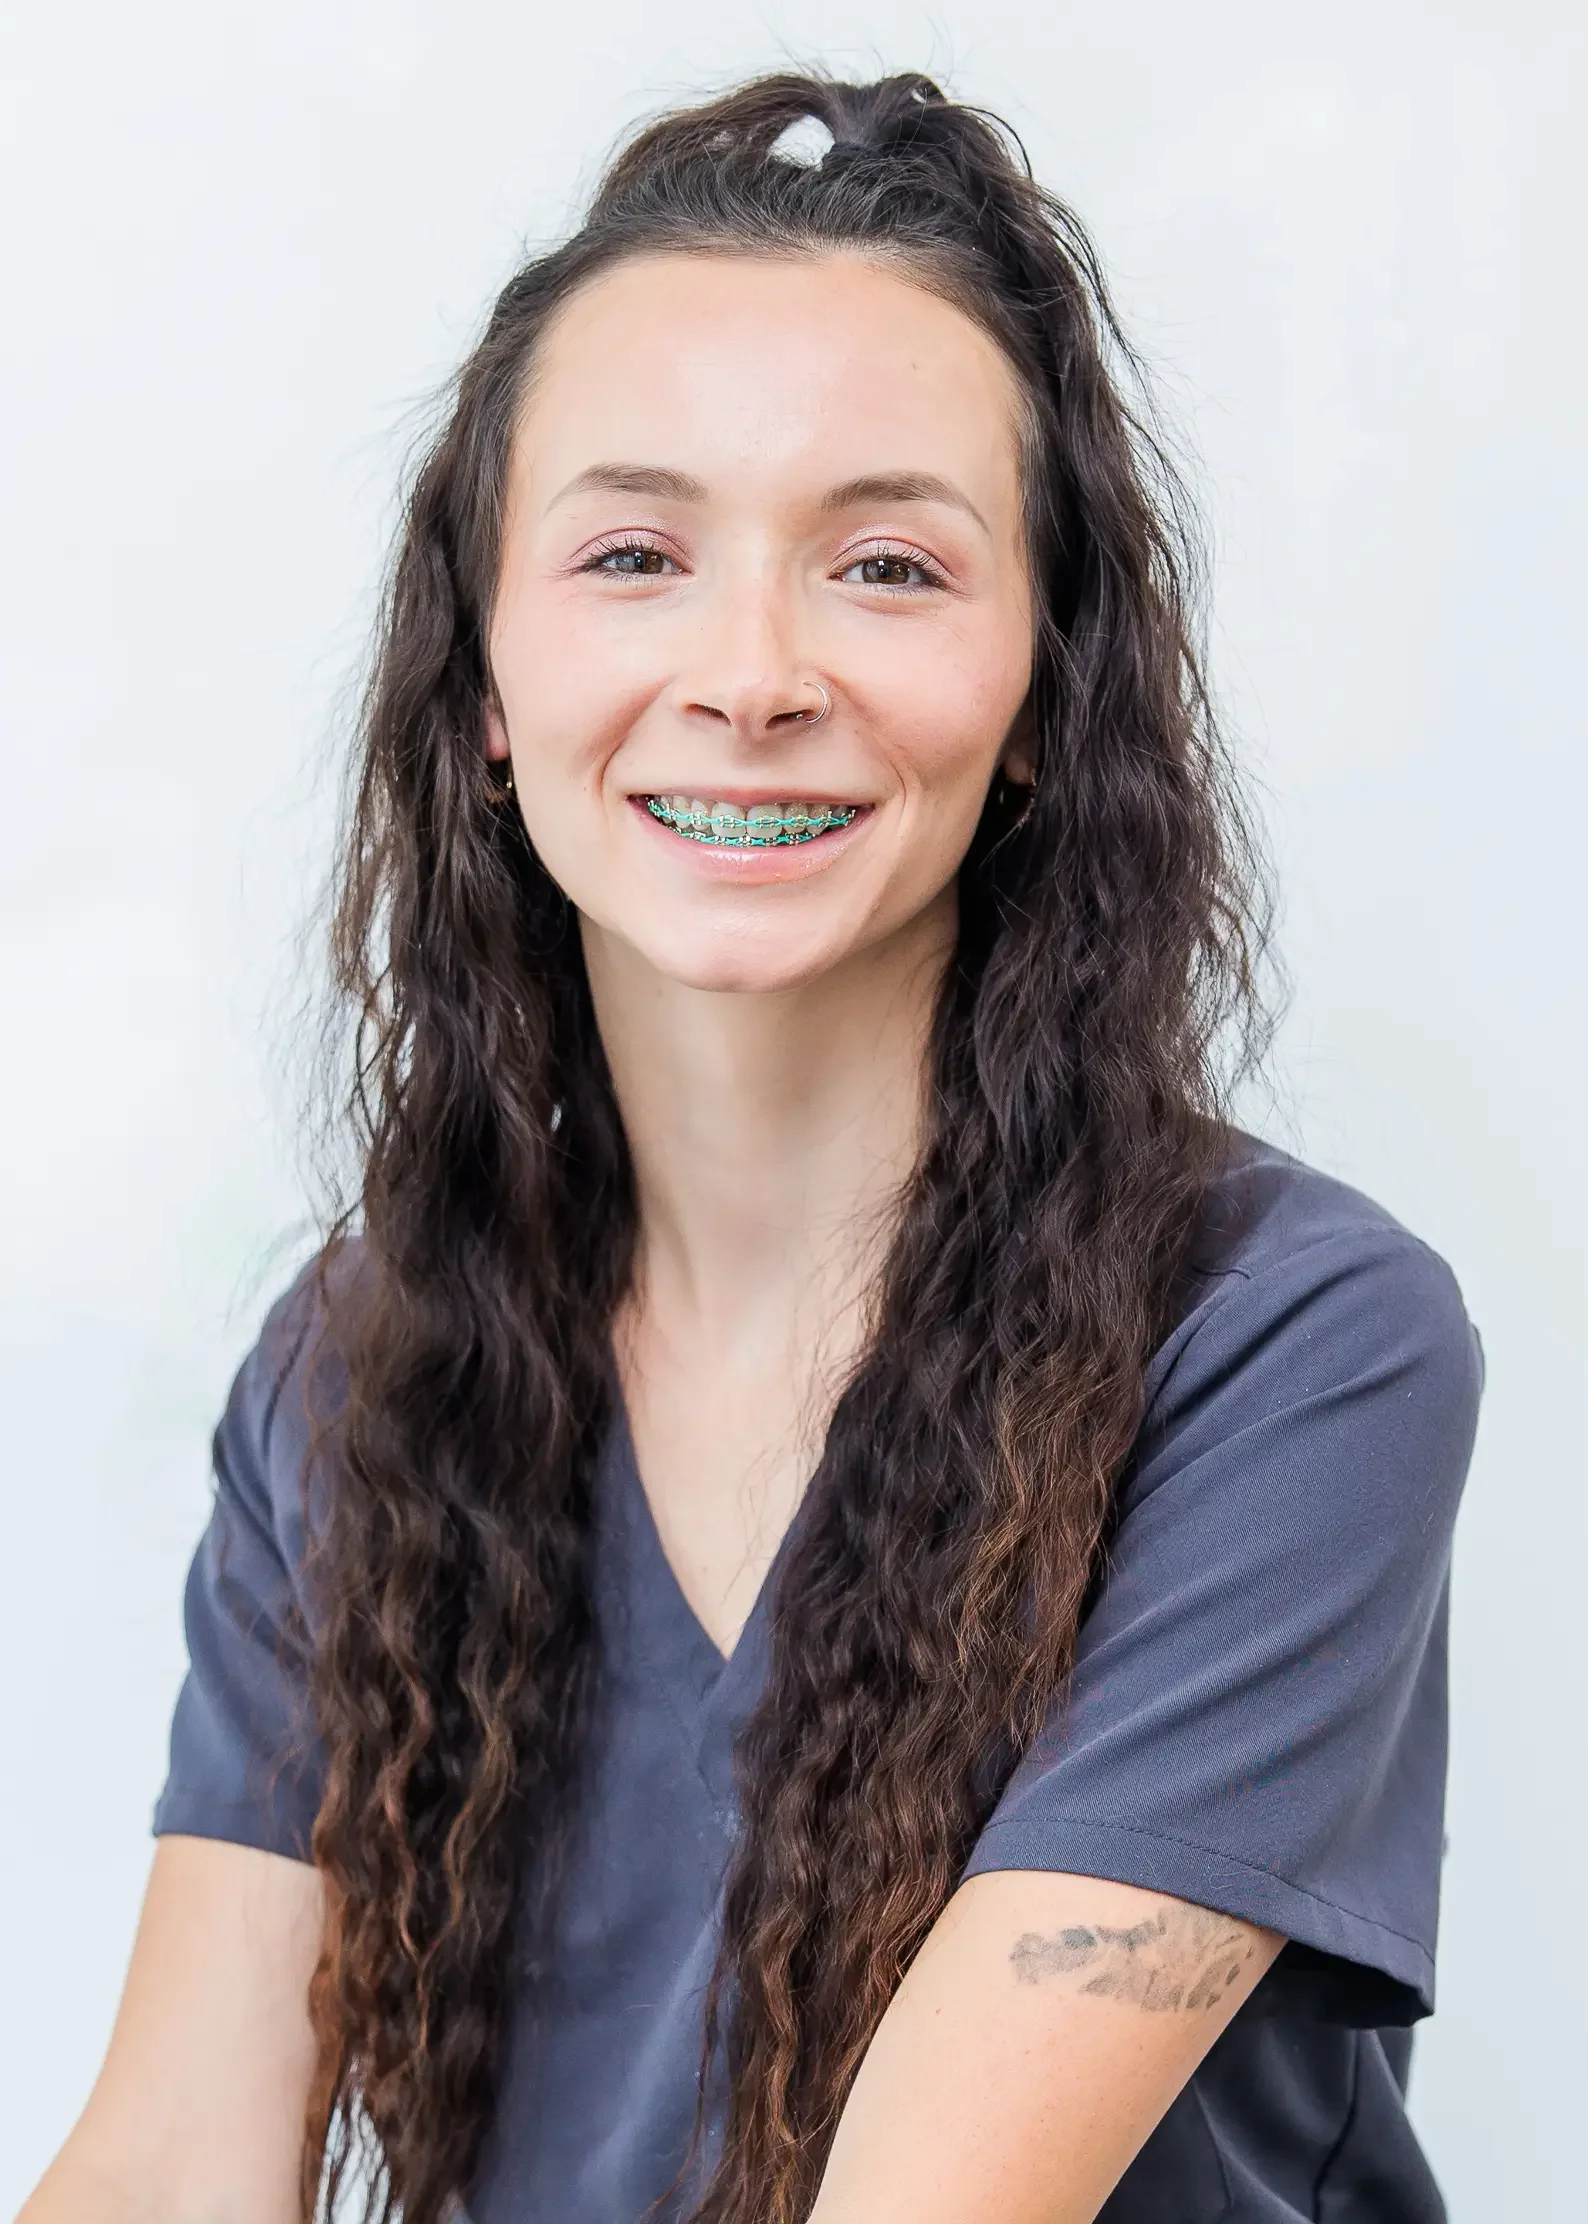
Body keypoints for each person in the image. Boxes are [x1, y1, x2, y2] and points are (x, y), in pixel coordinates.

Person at [18, 68, 1484, 2224]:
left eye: (887, 563)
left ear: (1039, 685)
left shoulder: (1288, 1341)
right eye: (633, 554)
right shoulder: (357, 1367)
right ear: (489, 684)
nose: (752, 669)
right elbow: (166, 2165)